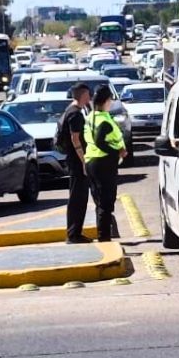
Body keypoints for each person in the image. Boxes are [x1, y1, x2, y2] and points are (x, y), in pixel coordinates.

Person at [84, 85, 127, 242]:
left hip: (92, 161)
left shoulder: (91, 117)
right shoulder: (104, 121)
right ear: (106, 101)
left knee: (99, 202)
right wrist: (118, 152)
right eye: (110, 100)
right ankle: (104, 237)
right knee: (106, 202)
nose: (111, 103)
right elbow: (100, 142)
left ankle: (103, 234)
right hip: (104, 163)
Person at [58, 83, 93, 244]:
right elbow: (75, 138)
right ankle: (73, 234)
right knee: (78, 198)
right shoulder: (75, 114)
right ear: (83, 95)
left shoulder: (70, 110)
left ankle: (75, 233)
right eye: (88, 95)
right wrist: (83, 160)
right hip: (76, 161)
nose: (90, 97)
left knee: (78, 197)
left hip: (73, 160)